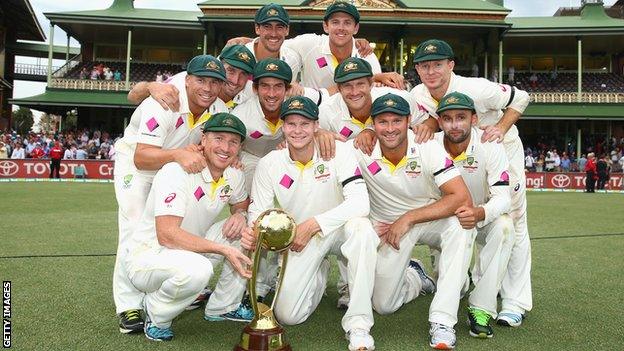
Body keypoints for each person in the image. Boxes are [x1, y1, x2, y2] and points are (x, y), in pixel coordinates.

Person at [408, 39, 531, 327]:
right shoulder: (417, 93)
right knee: (449, 211)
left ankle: (514, 300)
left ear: (450, 65)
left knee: (511, 222)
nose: (431, 71)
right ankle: (456, 280)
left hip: (499, 151)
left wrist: (500, 128)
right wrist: (429, 122)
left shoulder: (476, 88)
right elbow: (425, 120)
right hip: (458, 155)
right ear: (417, 69)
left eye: (438, 64)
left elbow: (521, 97)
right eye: (425, 66)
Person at [241, 96, 379, 351]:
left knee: (363, 229)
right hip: (300, 241)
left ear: (317, 126)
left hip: (339, 229)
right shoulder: (269, 163)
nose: (297, 130)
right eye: (291, 124)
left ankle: (359, 325)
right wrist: (253, 232)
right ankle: (318, 271)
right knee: (288, 316)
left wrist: (314, 224)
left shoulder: (341, 151)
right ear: (282, 127)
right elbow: (258, 212)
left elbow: (361, 204)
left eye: (305, 124)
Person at [112, 54, 228, 334]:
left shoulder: (219, 107)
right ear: (187, 80)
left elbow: (222, 139)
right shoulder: (165, 100)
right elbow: (142, 157)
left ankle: (171, 283)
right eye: (201, 80)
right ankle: (129, 305)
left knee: (175, 224)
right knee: (134, 224)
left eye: (215, 83)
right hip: (137, 165)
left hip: (174, 165)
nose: (207, 88)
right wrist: (177, 154)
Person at [350, 93, 474, 350]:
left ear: (408, 120)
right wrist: (321, 136)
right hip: (388, 228)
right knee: (383, 305)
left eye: (397, 121)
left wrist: (409, 217)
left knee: (461, 226)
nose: (391, 128)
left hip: (427, 218)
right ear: (373, 124)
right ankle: (416, 277)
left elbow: (461, 197)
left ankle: (443, 321)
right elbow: (321, 147)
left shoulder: (427, 147)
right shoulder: (360, 149)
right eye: (383, 122)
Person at [126, 113, 252, 341]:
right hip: (150, 257)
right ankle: (156, 313)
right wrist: (223, 249)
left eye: (233, 142)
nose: (225, 147)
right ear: (203, 139)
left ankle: (222, 306)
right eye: (219, 138)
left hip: (191, 248)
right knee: (199, 270)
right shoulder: (176, 171)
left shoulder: (234, 174)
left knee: (247, 229)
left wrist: (241, 214)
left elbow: (241, 203)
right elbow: (167, 235)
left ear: (240, 147)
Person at [433, 92, 514, 339]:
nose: (454, 125)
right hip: (444, 220)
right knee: (451, 286)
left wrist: (480, 212)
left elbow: (503, 198)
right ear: (439, 122)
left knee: (505, 226)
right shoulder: (430, 144)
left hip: (480, 215)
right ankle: (457, 280)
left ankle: (481, 307)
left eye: (461, 117)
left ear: (474, 119)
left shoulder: (489, 145)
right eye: (447, 118)